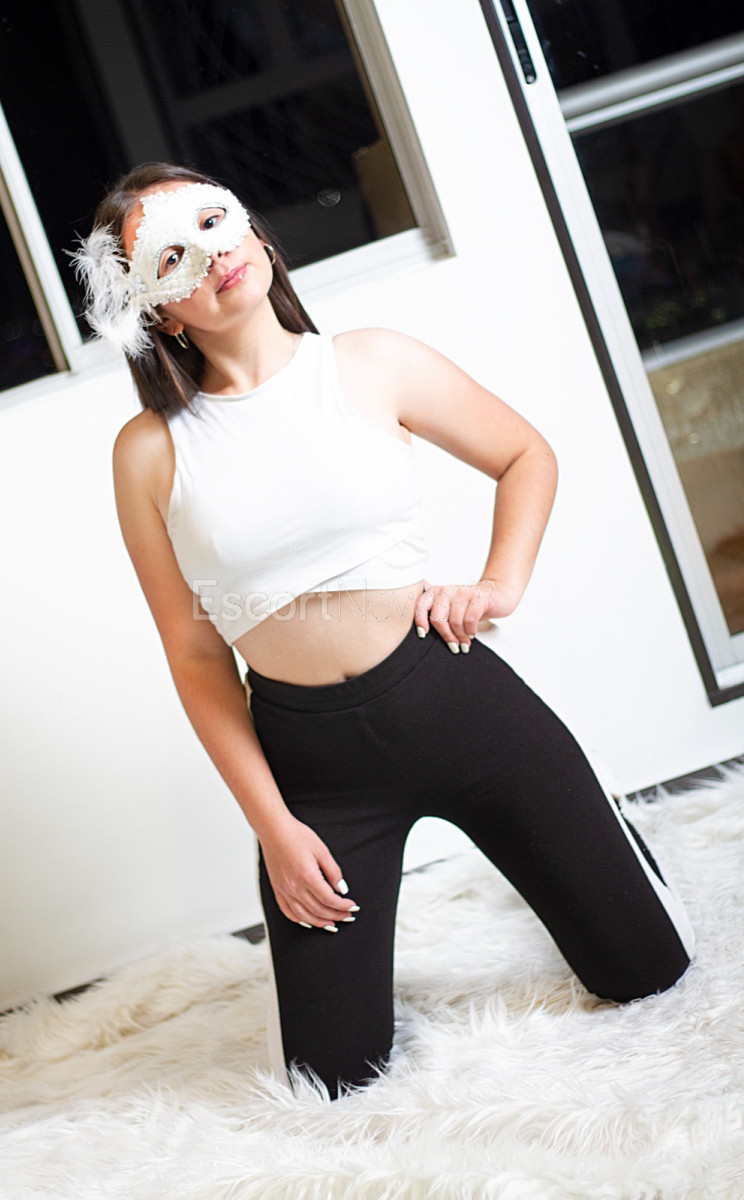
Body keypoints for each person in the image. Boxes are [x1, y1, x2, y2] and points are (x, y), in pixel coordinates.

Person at [74, 162, 695, 1099]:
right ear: (158, 315)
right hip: (316, 771)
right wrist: (275, 829)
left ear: (256, 234)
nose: (209, 253)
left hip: (458, 705)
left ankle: (600, 844)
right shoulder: (149, 452)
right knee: (333, 1077)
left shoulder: (373, 362)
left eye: (213, 221)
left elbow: (525, 454)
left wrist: (499, 584)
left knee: (647, 971)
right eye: (171, 257)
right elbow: (195, 655)